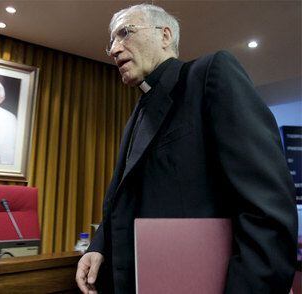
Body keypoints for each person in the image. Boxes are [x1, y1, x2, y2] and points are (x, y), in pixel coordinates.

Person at [76, 4, 298, 294]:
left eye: (124, 33)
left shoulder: (209, 74)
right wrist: (99, 245)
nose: (114, 49)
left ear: (165, 35)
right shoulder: (137, 113)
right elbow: (125, 199)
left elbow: (268, 207)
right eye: (112, 42)